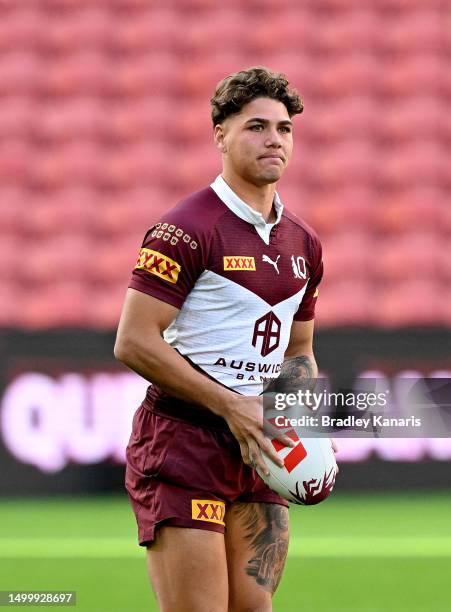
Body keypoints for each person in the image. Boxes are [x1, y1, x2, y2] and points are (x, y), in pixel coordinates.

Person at [114, 66, 324, 612]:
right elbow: (134, 340)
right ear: (220, 135)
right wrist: (231, 406)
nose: (273, 139)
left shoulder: (305, 242)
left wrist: (297, 422)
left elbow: (298, 351)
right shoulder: (185, 229)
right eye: (256, 126)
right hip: (185, 442)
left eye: (284, 129)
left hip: (255, 444)